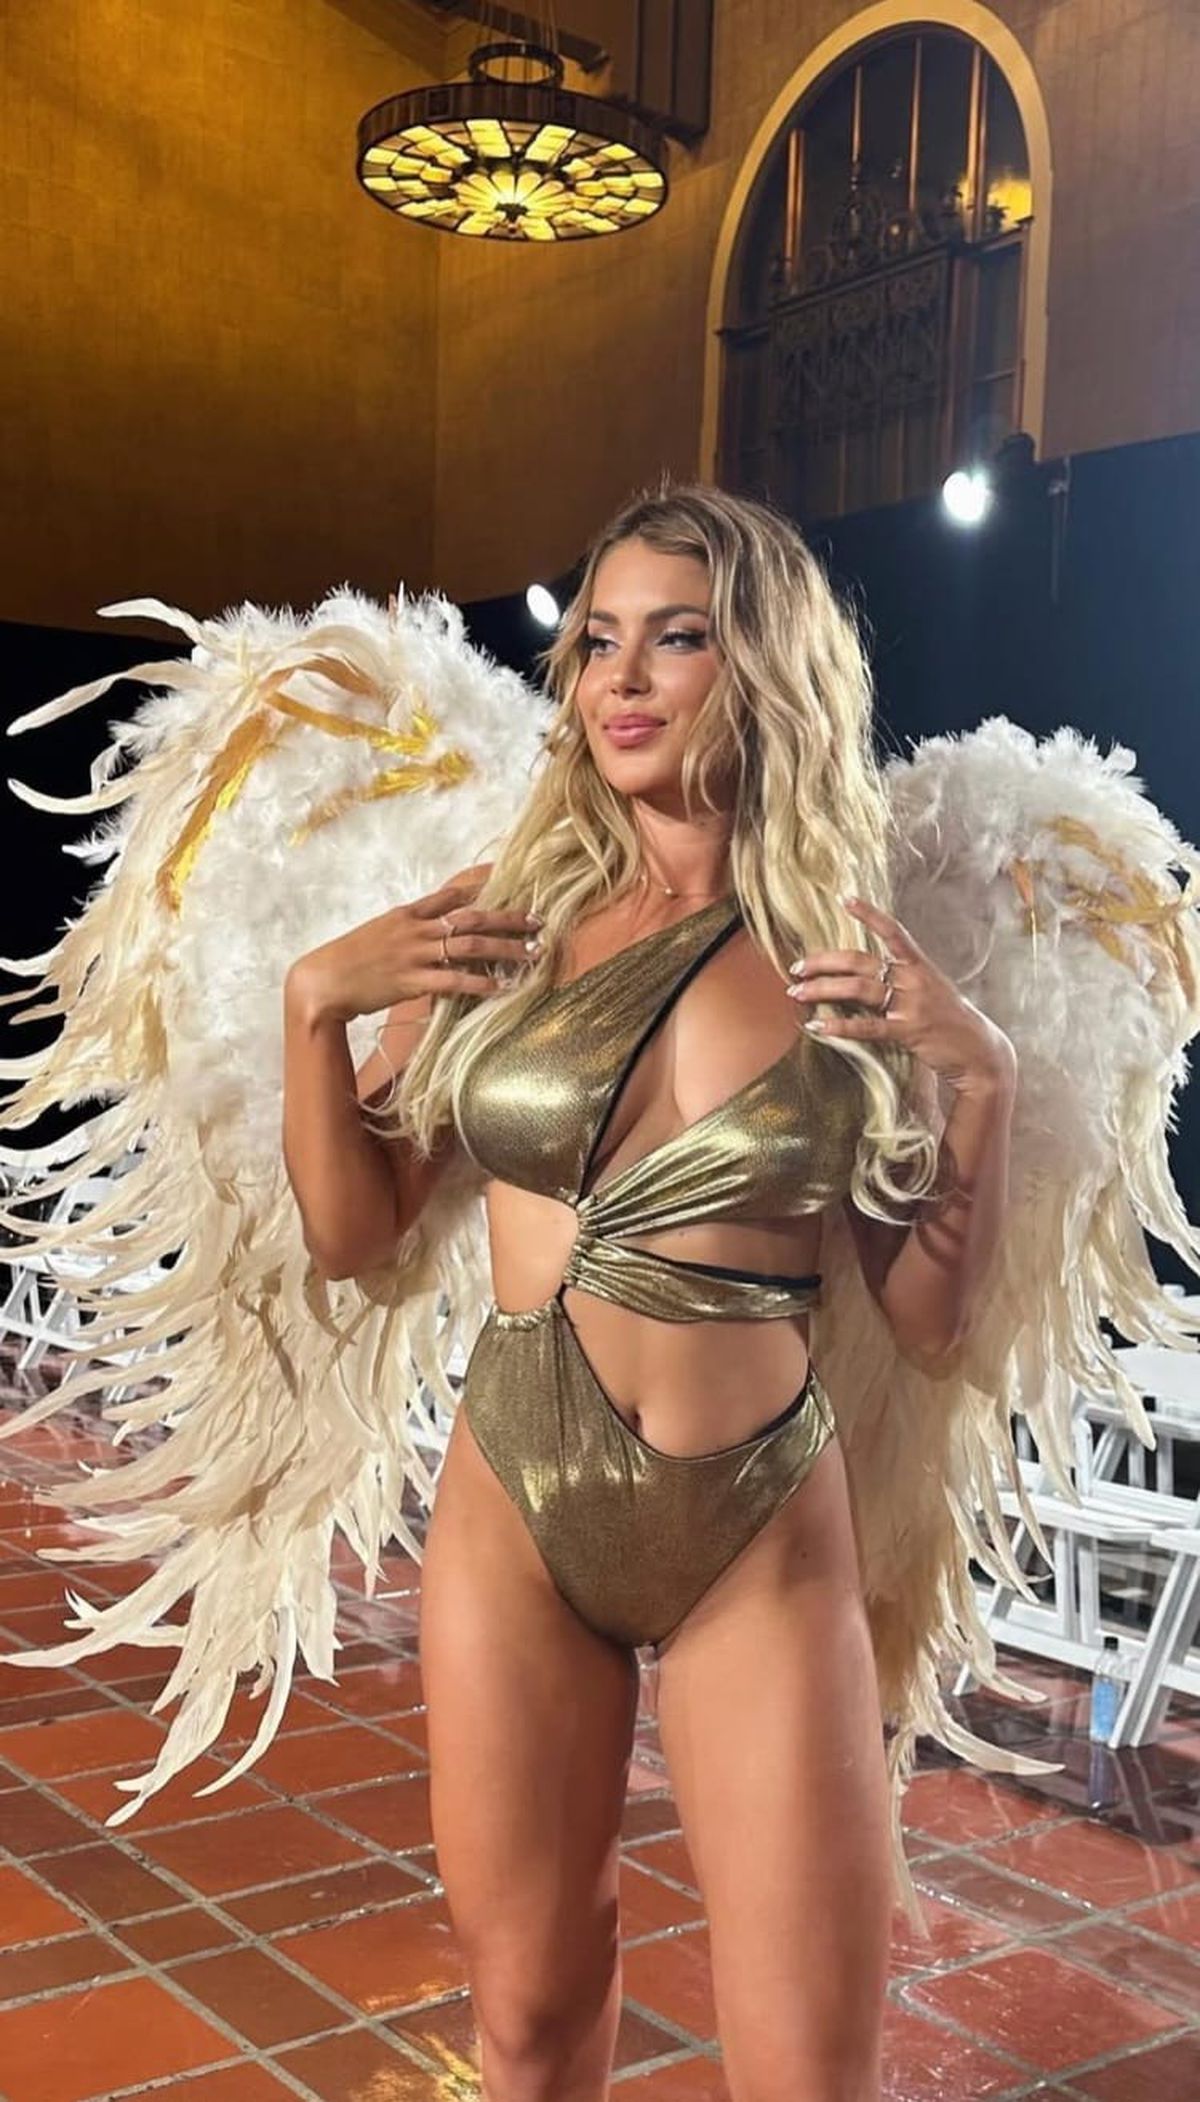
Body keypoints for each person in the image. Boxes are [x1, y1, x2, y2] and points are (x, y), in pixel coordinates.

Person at [286, 486, 1021, 2101]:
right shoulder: (511, 916)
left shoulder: (846, 947)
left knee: (807, 2071)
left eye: (675, 638)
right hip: (517, 1502)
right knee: (528, 2023)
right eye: (598, 640)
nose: (620, 678)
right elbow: (358, 1231)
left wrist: (983, 1077)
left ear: (760, 665)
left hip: (757, 1529)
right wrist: (313, 1006)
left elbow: (927, 1321)